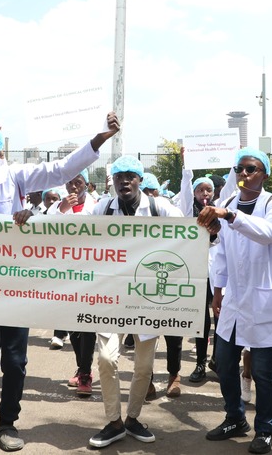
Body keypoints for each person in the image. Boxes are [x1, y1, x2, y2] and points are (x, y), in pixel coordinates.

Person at [0, 112, 120, 455]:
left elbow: (60, 171)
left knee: (14, 361)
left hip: (13, 288)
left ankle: (8, 424)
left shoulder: (15, 178)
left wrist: (101, 137)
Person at [87, 155, 183, 449]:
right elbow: (73, 234)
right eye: (119, 177)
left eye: (130, 176)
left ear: (140, 180)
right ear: (112, 181)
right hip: (111, 296)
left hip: (147, 298)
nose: (124, 181)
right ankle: (114, 422)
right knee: (106, 359)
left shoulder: (159, 207)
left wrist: (211, 231)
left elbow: (190, 233)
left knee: (143, 367)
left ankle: (132, 418)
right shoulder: (102, 208)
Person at [197, 147, 272, 454]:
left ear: (263, 174)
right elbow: (221, 250)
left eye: (252, 169)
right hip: (234, 300)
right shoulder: (226, 203)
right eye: (240, 169)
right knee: (223, 362)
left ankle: (265, 429)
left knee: (262, 372)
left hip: (265, 299)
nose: (245, 175)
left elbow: (266, 233)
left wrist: (231, 216)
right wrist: (218, 290)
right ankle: (235, 417)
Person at [47, 169, 97, 396]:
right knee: (73, 324)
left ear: (87, 184)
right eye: (70, 182)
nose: (74, 187)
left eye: (78, 182)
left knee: (87, 324)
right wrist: (62, 210)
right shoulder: (57, 207)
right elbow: (44, 227)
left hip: (91, 274)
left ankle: (86, 374)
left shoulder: (98, 207)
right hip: (65, 275)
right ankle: (81, 366)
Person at [177, 172, 217, 384]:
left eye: (208, 190)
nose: (205, 193)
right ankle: (200, 362)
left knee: (221, 318)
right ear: (194, 192)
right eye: (200, 189)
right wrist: (187, 168)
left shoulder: (220, 211)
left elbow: (230, 186)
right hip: (197, 272)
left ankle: (217, 361)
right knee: (201, 320)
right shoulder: (188, 211)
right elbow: (184, 188)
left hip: (218, 272)